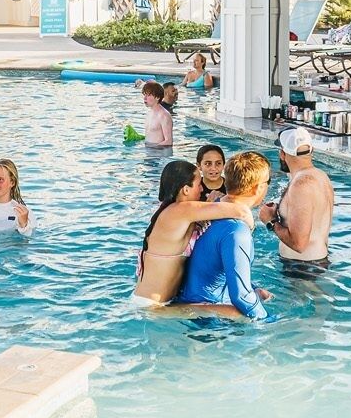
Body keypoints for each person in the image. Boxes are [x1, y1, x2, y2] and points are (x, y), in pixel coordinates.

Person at [133, 160, 254, 307]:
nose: (202, 189)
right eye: (199, 184)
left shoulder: (173, 211)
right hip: (151, 306)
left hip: (157, 302)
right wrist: (250, 229)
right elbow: (241, 211)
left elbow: (208, 213)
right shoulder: (180, 210)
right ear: (185, 189)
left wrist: (213, 202)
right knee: (238, 313)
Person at [177, 151, 272, 320]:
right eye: (268, 182)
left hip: (192, 298)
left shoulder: (214, 207)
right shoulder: (236, 231)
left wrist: (254, 288)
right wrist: (271, 323)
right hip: (207, 322)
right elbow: (241, 297)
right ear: (258, 187)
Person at [260, 127, 334, 268]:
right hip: (316, 263)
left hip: (302, 269)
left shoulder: (300, 186)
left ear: (282, 153)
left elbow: (299, 244)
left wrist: (271, 221)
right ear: (311, 150)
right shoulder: (321, 176)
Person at [0, 159, 34, 235]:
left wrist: (24, 225)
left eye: (0, 179)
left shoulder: (23, 213)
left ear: (12, 182)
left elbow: (29, 241)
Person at [141, 81, 173, 147]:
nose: (145, 98)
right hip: (150, 152)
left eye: (148, 95)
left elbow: (169, 141)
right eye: (144, 95)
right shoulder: (149, 113)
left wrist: (152, 147)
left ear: (157, 97)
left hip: (159, 154)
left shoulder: (164, 116)